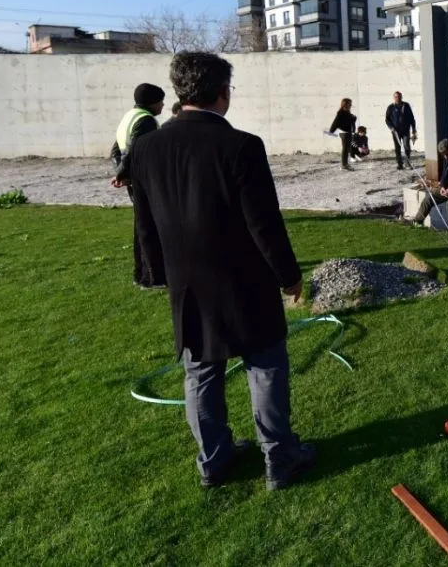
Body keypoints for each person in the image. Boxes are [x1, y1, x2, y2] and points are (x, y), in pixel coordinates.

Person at [128, 51, 316, 491]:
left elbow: (143, 221)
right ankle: (279, 457)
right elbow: (263, 223)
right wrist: (288, 275)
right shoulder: (242, 146)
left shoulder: (146, 147)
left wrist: (155, 271)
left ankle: (214, 461)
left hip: (187, 283)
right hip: (245, 279)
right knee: (265, 365)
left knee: (201, 371)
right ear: (222, 93)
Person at [110, 83, 167, 289]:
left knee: (142, 225)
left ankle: (141, 274)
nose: (162, 105)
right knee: (149, 227)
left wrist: (122, 173)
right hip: (144, 180)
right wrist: (122, 174)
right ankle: (152, 277)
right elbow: (136, 150)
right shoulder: (146, 120)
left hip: (135, 179)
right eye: (160, 101)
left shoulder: (129, 116)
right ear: (152, 102)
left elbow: (116, 150)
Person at [408, 139, 448, 226]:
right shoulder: (447, 157)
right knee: (429, 198)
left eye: (447, 154)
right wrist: (442, 185)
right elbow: (444, 174)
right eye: (443, 155)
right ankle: (417, 222)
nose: (445, 157)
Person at [385, 91, 417, 170]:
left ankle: (407, 163)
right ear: (394, 98)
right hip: (396, 132)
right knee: (397, 148)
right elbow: (387, 120)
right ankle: (400, 164)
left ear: (401, 97)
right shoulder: (391, 107)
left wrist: (413, 129)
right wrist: (391, 127)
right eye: (396, 97)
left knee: (406, 146)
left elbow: (411, 118)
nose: (398, 98)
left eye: (399, 96)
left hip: (405, 130)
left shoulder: (406, 105)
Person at [328, 98, 358, 170]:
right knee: (345, 149)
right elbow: (336, 122)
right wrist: (331, 130)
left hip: (347, 133)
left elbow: (349, 121)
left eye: (350, 104)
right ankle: (344, 165)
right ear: (345, 104)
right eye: (349, 104)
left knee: (346, 149)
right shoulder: (341, 113)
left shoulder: (346, 112)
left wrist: (353, 118)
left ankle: (345, 164)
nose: (351, 105)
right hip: (344, 133)